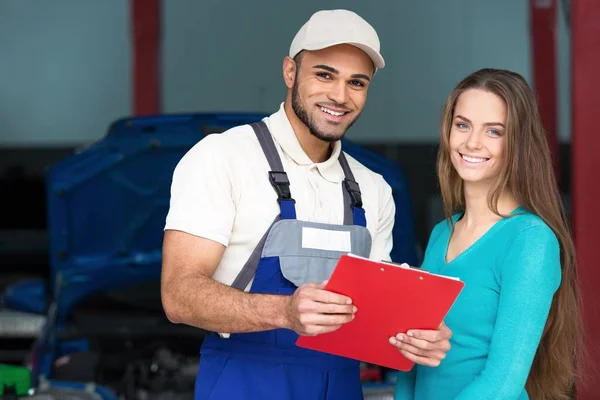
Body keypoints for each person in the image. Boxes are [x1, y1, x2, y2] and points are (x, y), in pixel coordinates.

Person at [160, 9, 452, 400]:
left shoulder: (373, 188)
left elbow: (374, 319)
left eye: (357, 82)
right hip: (244, 383)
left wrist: (418, 337)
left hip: (342, 386)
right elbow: (178, 295)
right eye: (324, 74)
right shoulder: (223, 158)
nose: (340, 96)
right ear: (290, 72)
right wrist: (284, 312)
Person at [392, 68, 583, 399]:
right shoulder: (441, 234)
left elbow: (504, 381)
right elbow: (412, 365)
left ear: (518, 143)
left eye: (494, 131)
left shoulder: (530, 240)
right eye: (462, 125)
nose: (472, 142)